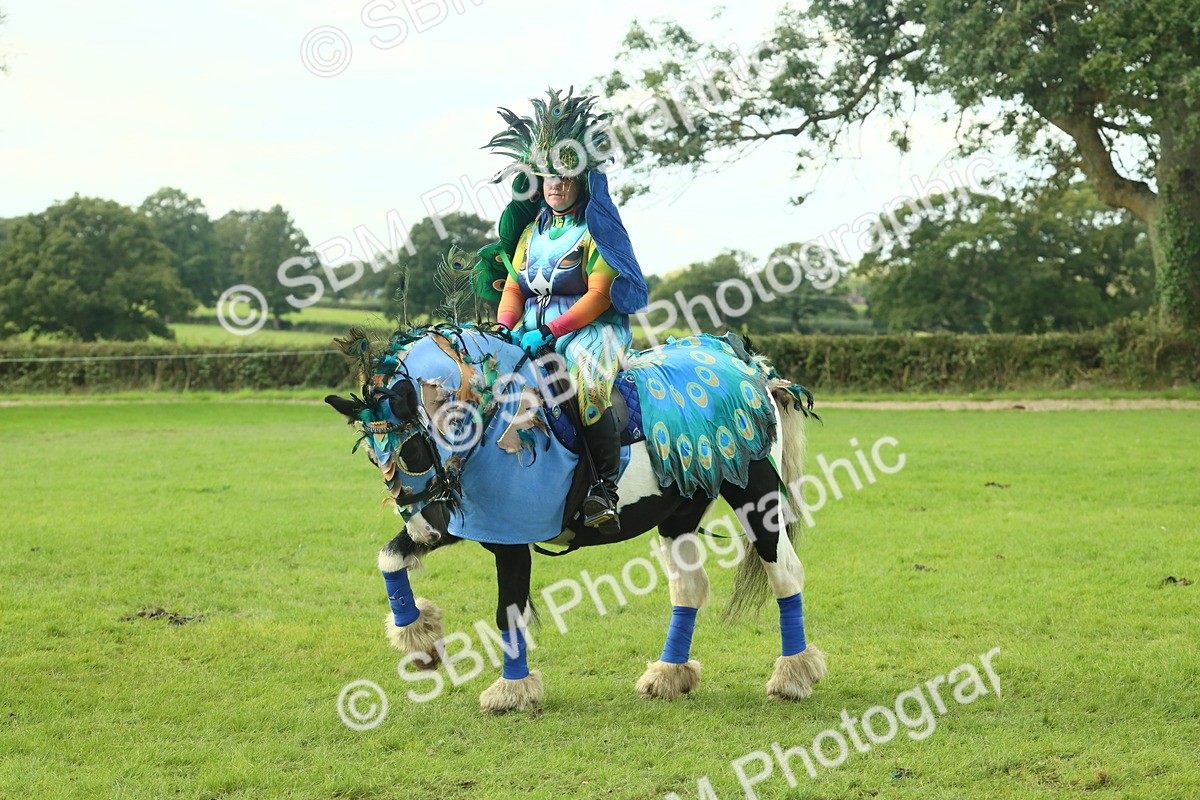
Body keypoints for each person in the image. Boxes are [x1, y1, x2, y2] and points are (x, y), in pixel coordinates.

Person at [473, 88, 648, 535]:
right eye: (547, 174)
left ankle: (604, 490)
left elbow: (600, 295)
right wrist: (503, 326)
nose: (554, 183)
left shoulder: (597, 229)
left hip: (591, 330)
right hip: (530, 330)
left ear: (582, 178)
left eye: (564, 174)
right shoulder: (533, 230)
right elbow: (514, 287)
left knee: (586, 385)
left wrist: (552, 332)